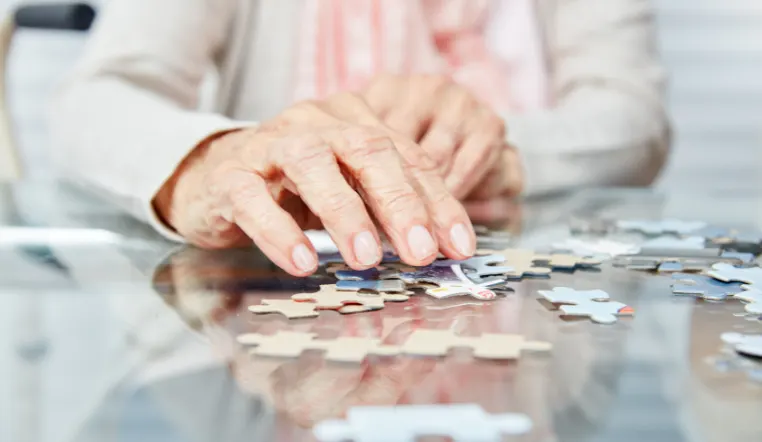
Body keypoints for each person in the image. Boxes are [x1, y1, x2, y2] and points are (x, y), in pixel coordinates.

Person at [50, 0, 670, 276]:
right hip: (265, 287)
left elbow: (634, 120)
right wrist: (216, 161)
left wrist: (496, 155)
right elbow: (97, 99)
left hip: (521, 280)